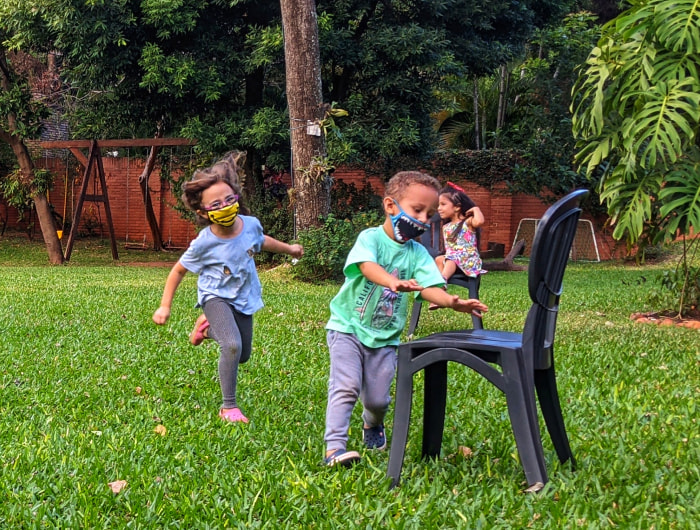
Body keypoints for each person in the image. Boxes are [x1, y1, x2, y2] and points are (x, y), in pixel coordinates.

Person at [323, 171, 489, 466]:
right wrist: (391, 281)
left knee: (377, 400)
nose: (424, 220)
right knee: (345, 386)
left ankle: (372, 424)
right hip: (347, 327)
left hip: (385, 338)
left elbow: (430, 287)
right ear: (390, 206)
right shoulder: (370, 238)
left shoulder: (418, 254)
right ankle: (334, 449)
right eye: (416, 210)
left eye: (429, 214)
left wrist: (452, 301)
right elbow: (365, 266)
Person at [152, 153, 304, 424]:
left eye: (229, 199)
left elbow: (262, 240)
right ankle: (228, 407)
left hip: (243, 296)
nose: (225, 206)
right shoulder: (204, 242)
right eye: (216, 204)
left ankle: (208, 329)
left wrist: (289, 249)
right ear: (203, 212)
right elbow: (178, 271)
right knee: (232, 346)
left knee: (242, 355)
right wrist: (165, 305)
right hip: (215, 297)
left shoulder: (250, 225)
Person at [435, 181, 486, 282]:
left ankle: (442, 279)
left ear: (457, 207)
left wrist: (476, 209)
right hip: (454, 261)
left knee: (451, 259)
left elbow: (480, 221)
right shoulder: (446, 226)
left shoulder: (468, 222)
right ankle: (440, 285)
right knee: (439, 259)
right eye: (438, 205)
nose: (439, 208)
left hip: (469, 261)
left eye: (443, 204)